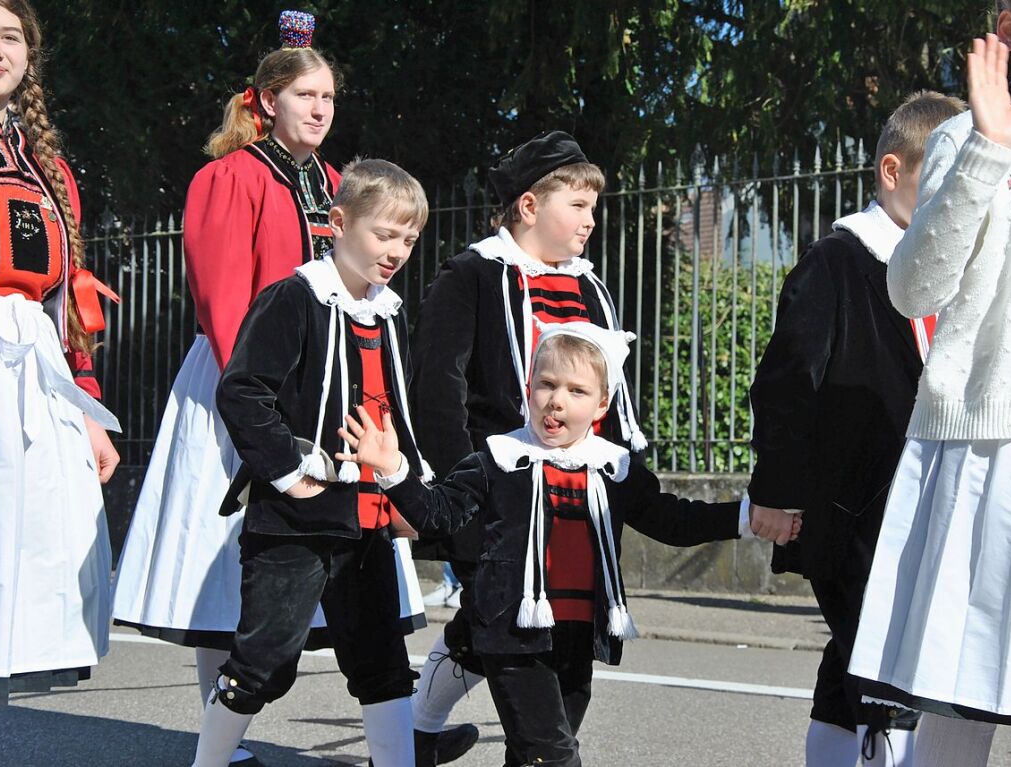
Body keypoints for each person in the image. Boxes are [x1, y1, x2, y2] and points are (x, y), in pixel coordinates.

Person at [340, 321, 776, 767]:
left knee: (532, 754)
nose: (557, 400)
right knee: (554, 757)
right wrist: (392, 468)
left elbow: (675, 521)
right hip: (512, 636)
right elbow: (439, 515)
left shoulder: (614, 466)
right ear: (529, 387)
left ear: (602, 403)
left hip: (577, 636)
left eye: (576, 391)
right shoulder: (498, 458)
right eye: (546, 384)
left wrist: (750, 517)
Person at [111, 11, 347, 766]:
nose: (319, 108)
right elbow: (223, 297)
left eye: (329, 97)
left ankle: (396, 716)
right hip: (244, 380)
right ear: (265, 100)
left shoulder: (339, 184)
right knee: (224, 556)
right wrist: (267, 390)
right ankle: (224, 739)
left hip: (328, 382)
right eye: (305, 94)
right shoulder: (228, 176)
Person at [407, 130, 647, 765]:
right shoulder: (474, 275)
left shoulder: (591, 286)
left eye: (595, 207)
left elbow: (607, 393)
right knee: (501, 615)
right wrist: (467, 493)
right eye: (579, 205)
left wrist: (617, 480)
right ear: (529, 206)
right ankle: (418, 735)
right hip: (498, 486)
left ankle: (412, 736)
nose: (592, 220)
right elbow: (439, 391)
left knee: (500, 620)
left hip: (573, 490)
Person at [189, 158, 430, 767]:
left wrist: (412, 491)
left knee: (381, 657)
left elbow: (401, 410)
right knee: (265, 660)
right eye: (383, 233)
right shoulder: (293, 298)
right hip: (294, 521)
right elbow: (242, 391)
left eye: (408, 238)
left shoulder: (390, 312)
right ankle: (208, 762)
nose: (396, 250)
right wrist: (291, 473)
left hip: (369, 516)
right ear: (337, 222)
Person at [748, 90, 964, 766]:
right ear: (892, 172)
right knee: (891, 676)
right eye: (944, 180)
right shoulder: (839, 260)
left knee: (851, 674)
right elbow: (785, 381)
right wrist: (777, 491)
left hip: (919, 504)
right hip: (853, 510)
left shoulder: (950, 269)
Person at [847, 28, 1011, 767]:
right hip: (986, 450)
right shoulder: (960, 136)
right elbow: (912, 287)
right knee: (961, 704)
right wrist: (987, 149)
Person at [0, 0, 121, 705]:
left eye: (10, 36)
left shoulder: (50, 169)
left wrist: (90, 412)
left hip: (34, 375)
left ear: (30, 56)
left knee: (21, 574)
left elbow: (69, 303)